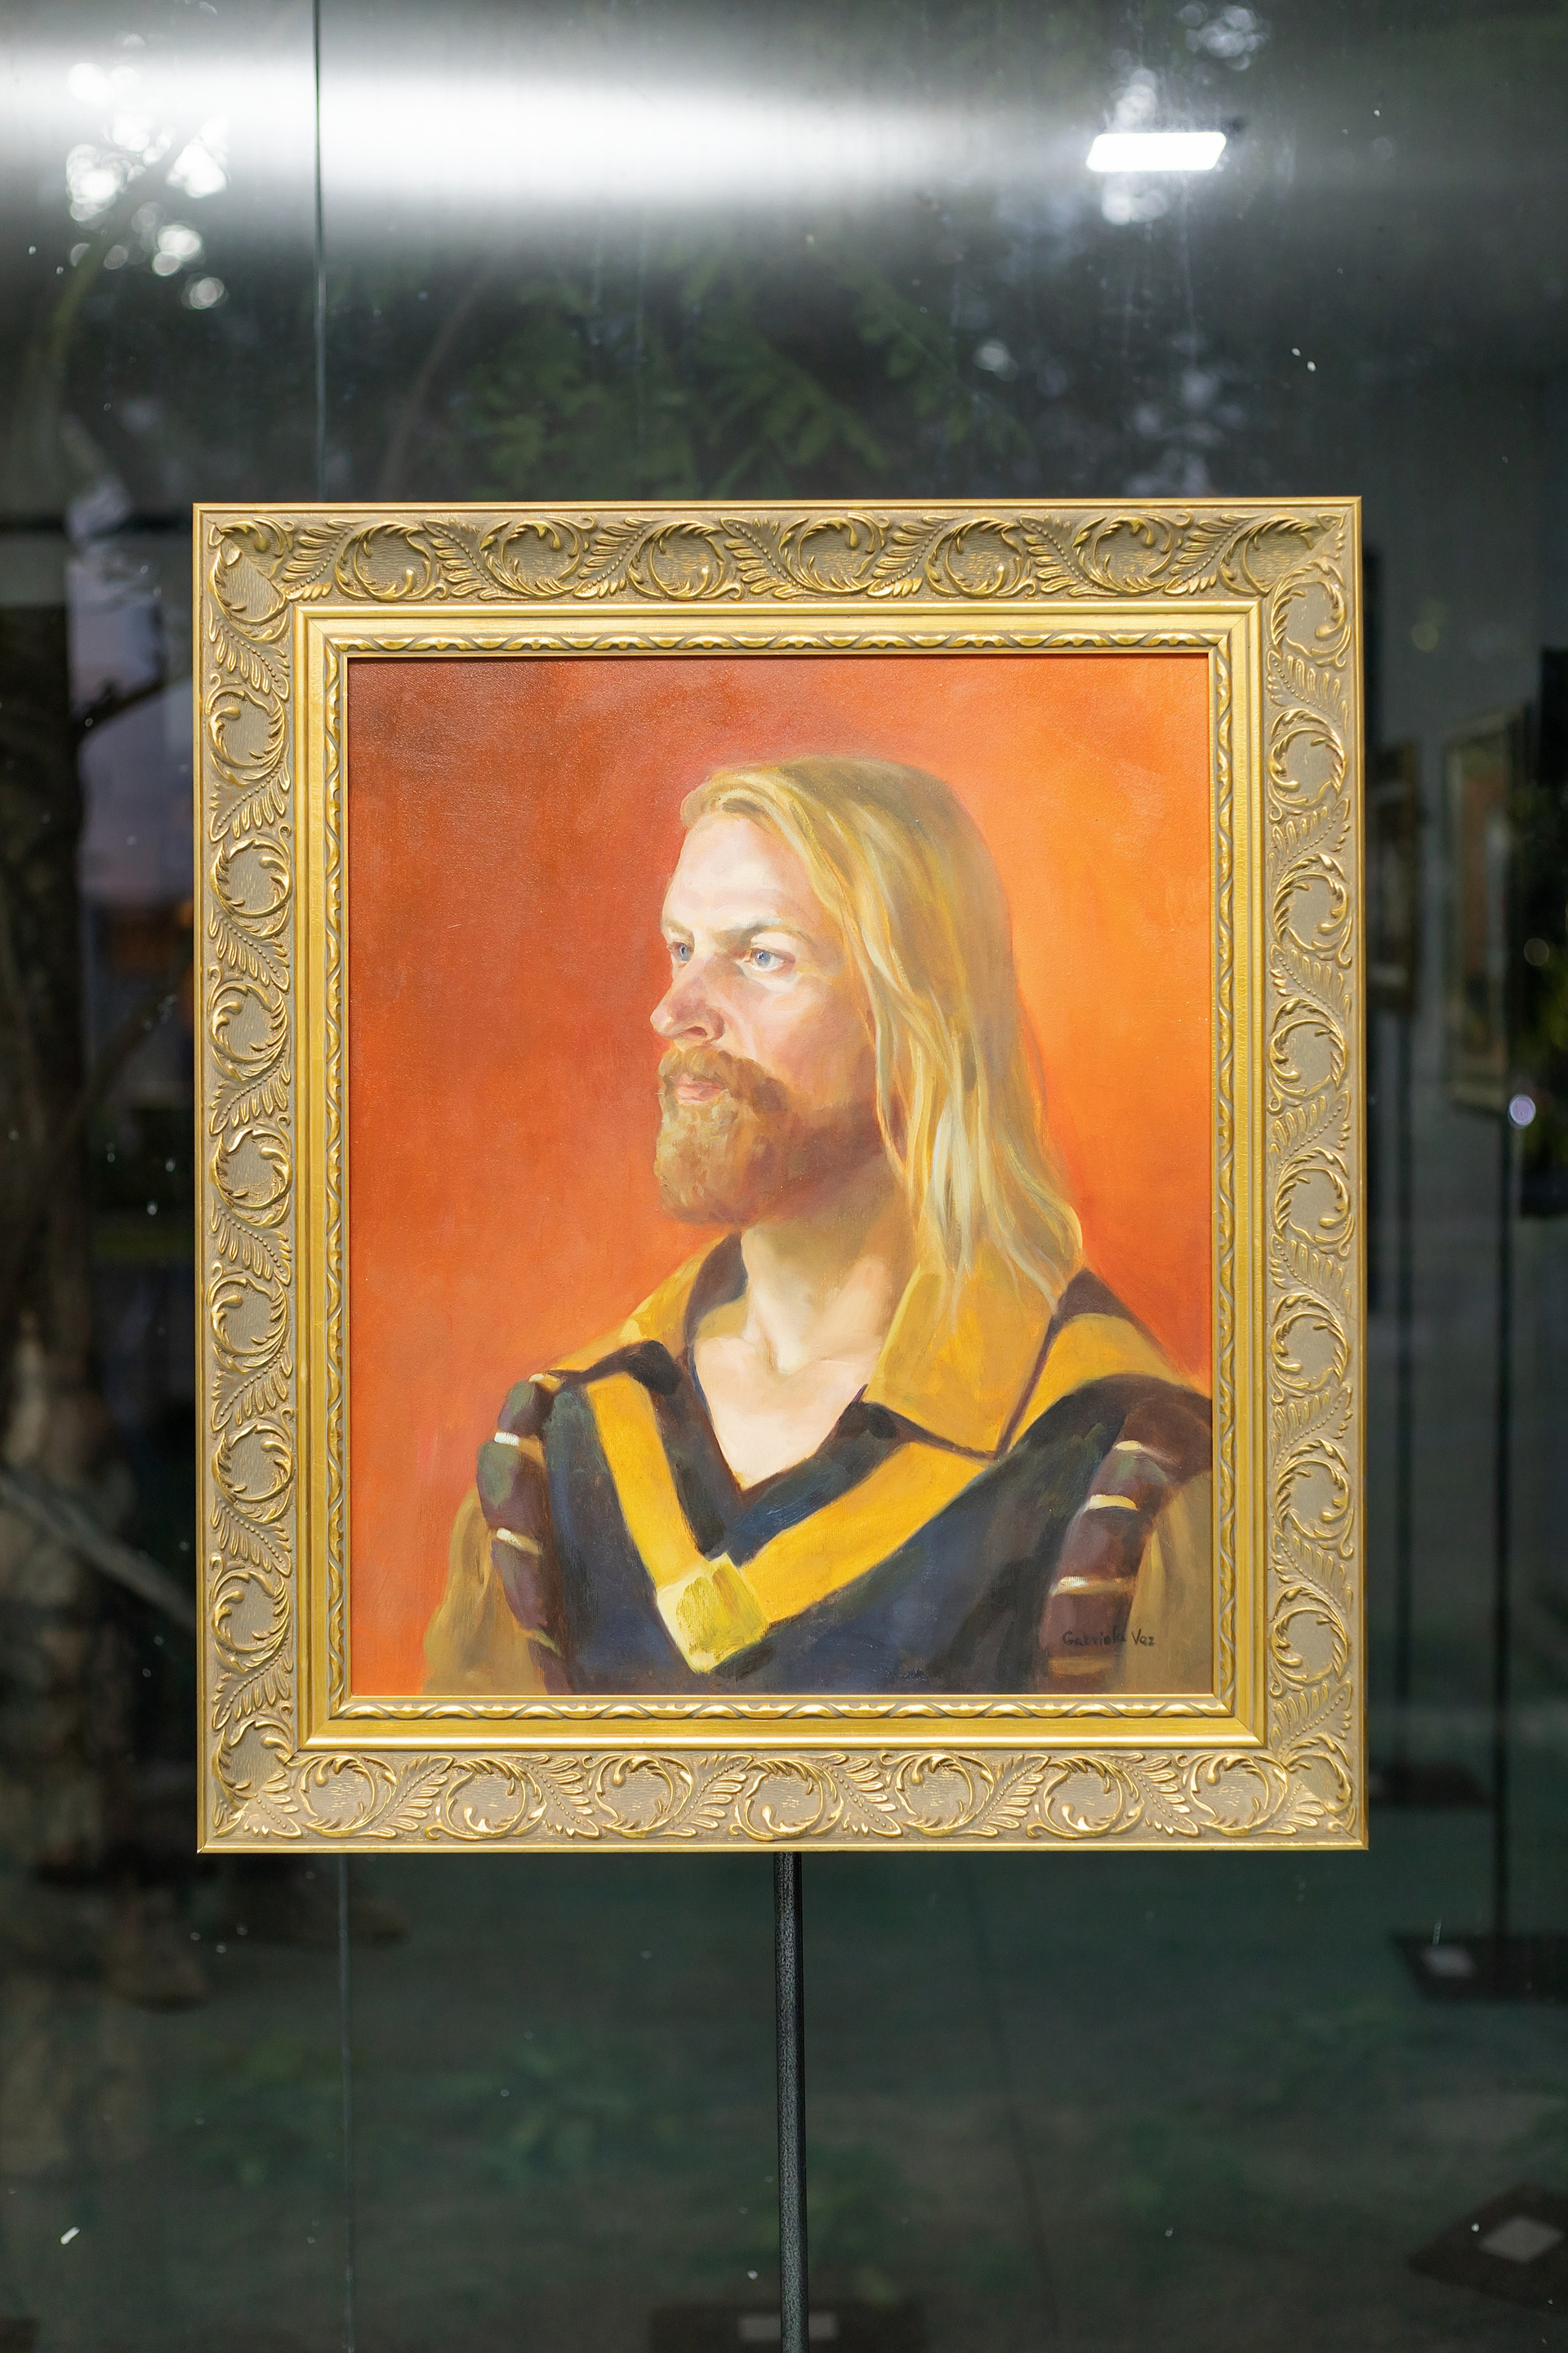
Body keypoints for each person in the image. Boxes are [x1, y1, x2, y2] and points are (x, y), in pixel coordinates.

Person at [425, 757, 1211, 1697]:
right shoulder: (559, 1447)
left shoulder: (1122, 1461)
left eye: (763, 957)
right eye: (681, 948)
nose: (675, 1011)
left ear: (919, 1017)